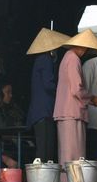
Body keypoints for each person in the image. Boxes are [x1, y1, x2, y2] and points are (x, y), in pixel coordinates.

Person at [53, 29, 97, 180]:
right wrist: (93, 98)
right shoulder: (73, 59)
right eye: (86, 48)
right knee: (73, 155)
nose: (85, 51)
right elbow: (77, 89)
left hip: (67, 112)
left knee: (68, 154)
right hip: (71, 112)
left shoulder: (67, 57)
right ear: (82, 47)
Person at [26, 28, 69, 162]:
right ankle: (41, 175)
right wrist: (64, 90)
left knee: (45, 149)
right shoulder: (45, 60)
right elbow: (49, 85)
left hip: (41, 111)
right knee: (45, 150)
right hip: (43, 111)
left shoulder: (41, 59)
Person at [82, 50, 97, 161]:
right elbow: (83, 92)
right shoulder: (90, 65)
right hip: (94, 121)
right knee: (94, 157)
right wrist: (94, 99)